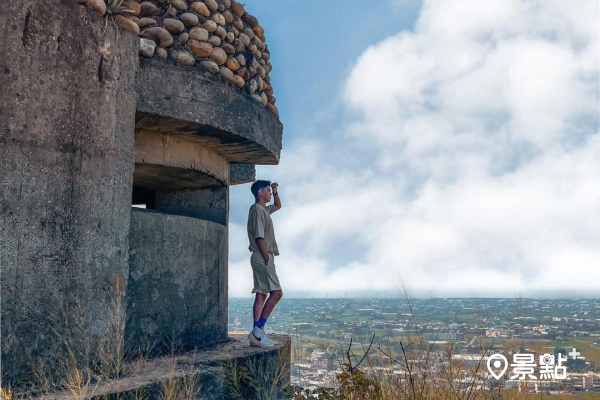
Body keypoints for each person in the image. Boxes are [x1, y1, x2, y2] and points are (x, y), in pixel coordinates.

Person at [247, 180, 283, 347]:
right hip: (263, 255)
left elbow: (278, 206)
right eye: (268, 190)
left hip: (262, 255)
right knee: (277, 293)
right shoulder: (257, 210)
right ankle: (258, 329)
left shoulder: (264, 210)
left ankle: (257, 333)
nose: (270, 193)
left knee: (261, 294)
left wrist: (276, 191)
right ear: (260, 193)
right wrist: (267, 258)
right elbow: (259, 237)